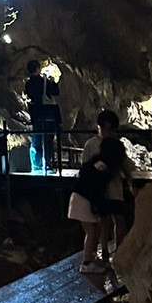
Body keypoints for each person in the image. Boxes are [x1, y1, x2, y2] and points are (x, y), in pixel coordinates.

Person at [68, 136, 127, 272]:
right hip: (83, 199)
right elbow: (95, 187)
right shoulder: (102, 167)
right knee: (92, 232)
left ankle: (91, 259)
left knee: (94, 231)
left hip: (81, 198)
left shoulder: (97, 162)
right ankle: (87, 263)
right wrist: (98, 206)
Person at [82, 110, 134, 255]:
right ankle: (104, 250)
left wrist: (128, 182)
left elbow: (125, 165)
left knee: (118, 219)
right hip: (100, 189)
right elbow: (86, 166)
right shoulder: (91, 145)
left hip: (114, 187)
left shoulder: (114, 144)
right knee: (104, 221)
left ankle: (119, 249)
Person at [24, 59, 60, 173]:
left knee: (37, 138)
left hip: (36, 113)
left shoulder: (28, 83)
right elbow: (55, 92)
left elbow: (30, 95)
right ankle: (48, 164)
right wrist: (53, 82)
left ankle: (37, 164)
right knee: (48, 139)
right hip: (47, 112)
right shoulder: (44, 81)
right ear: (38, 69)